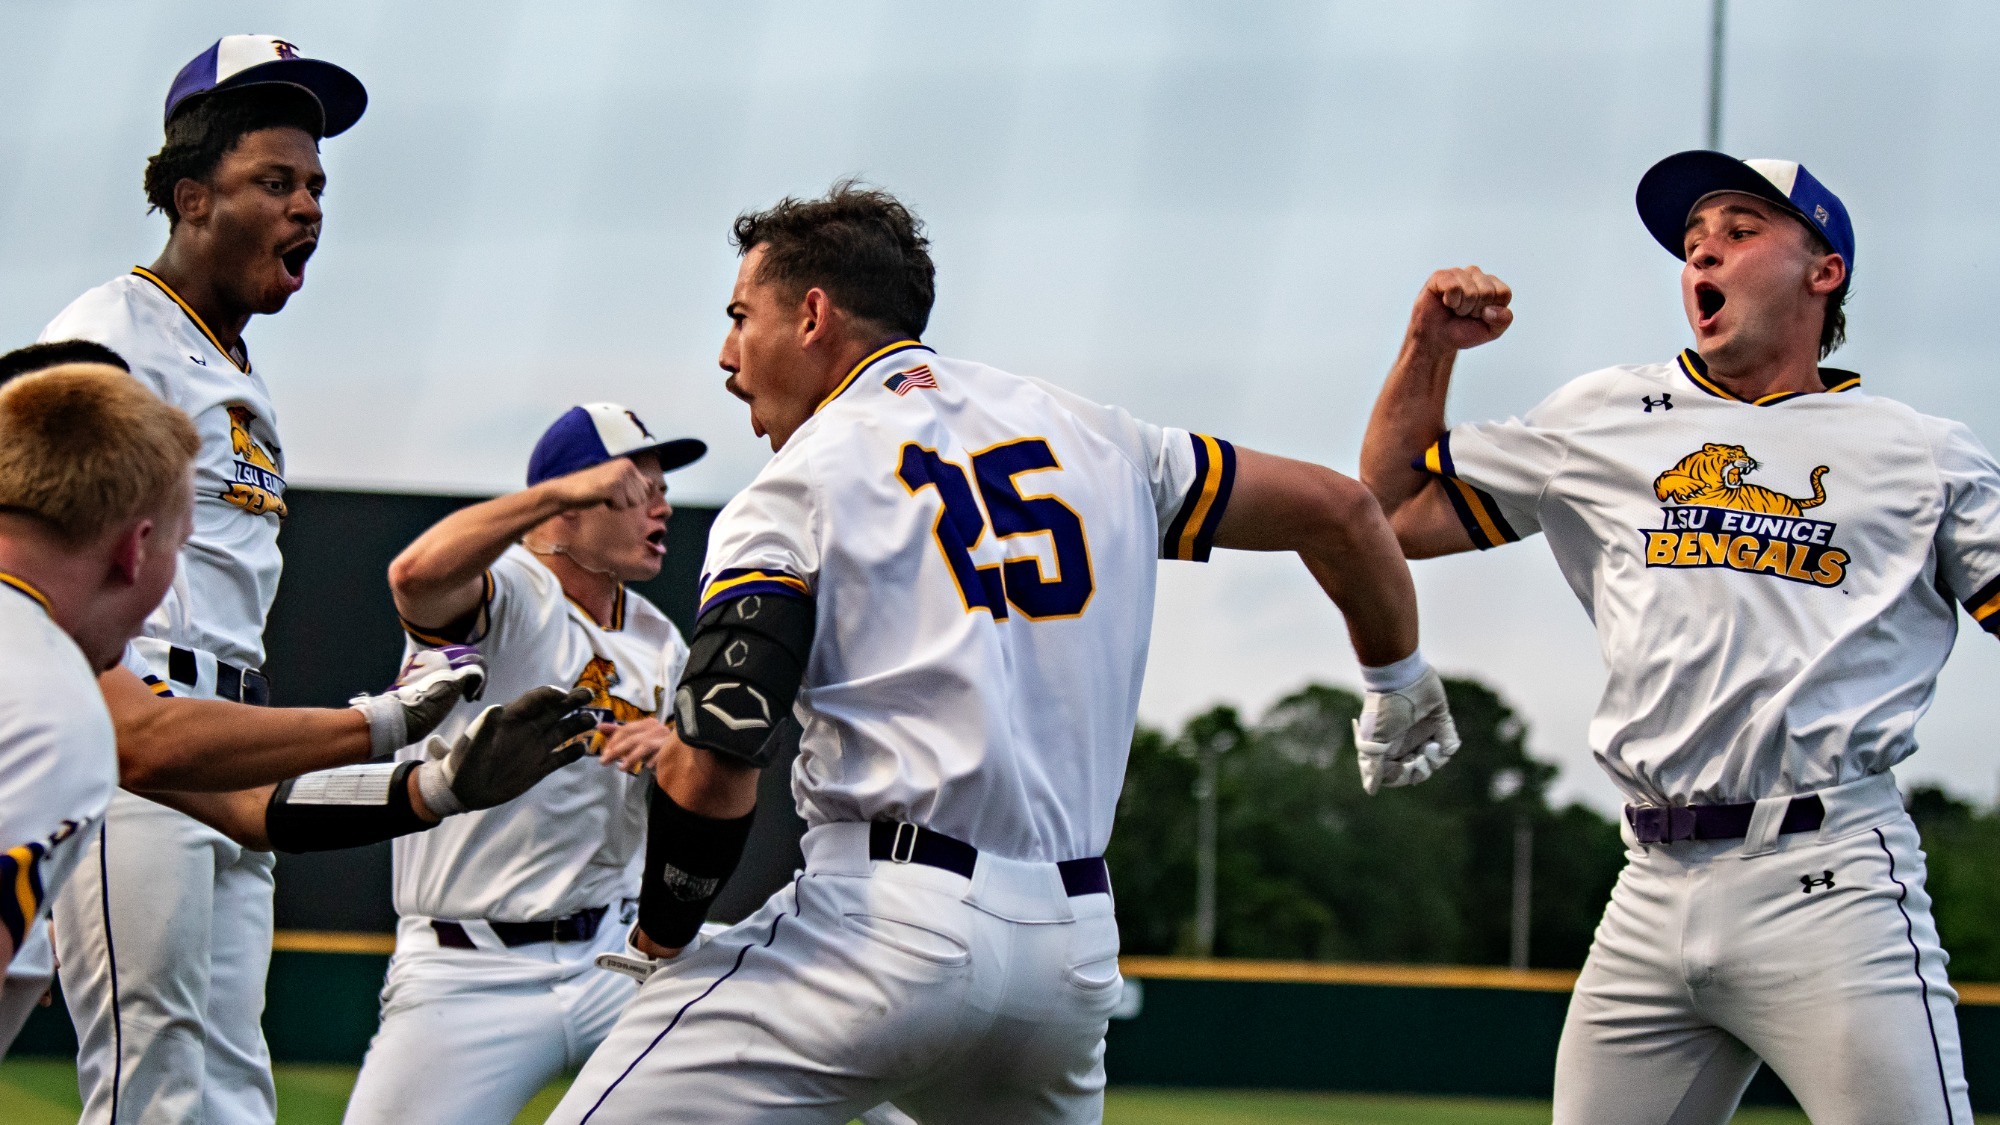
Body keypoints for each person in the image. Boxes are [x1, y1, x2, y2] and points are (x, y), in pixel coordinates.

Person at [545, 183, 1453, 1123]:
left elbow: (720, 753)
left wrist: (659, 936)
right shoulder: (1102, 436)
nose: (729, 357)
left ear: (812, 314)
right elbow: (1343, 511)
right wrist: (1400, 677)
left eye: (741, 317)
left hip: (881, 932)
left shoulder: (797, 482)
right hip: (1072, 953)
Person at [1360, 151, 1984, 1124]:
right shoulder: (1602, 415)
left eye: (1739, 233)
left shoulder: (1920, 452)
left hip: (1828, 881)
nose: (1704, 255)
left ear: (1822, 273)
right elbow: (1391, 515)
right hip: (1647, 889)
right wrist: (1426, 347)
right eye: (1692, 244)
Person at [0, 364, 597, 1061]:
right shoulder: (54, 703)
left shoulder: (54, 672)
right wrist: (391, 724)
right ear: (137, 550)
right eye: (181, 545)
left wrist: (435, 784)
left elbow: (243, 803)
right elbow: (149, 739)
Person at [38, 36, 374, 1124]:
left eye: (315, 184)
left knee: (227, 1088)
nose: (307, 206)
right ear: (190, 198)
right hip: (133, 740)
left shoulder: (226, 361)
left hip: (225, 751)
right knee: (159, 1082)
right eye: (272, 182)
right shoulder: (109, 336)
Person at [339, 404, 705, 1125]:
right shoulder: (512, 590)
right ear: (571, 501)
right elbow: (414, 577)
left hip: (615, 955)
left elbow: (703, 791)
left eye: (662, 488)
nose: (660, 504)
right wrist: (551, 496)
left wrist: (683, 749)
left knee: (798, 1027)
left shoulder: (663, 639)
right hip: (469, 970)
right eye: (637, 486)